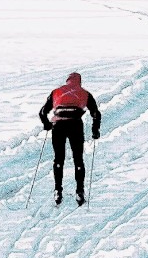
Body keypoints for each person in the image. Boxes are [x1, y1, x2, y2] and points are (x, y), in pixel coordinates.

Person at [38, 72, 102, 206]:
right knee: (78, 159)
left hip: (58, 125)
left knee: (58, 158)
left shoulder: (56, 92)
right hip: (75, 125)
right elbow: (96, 113)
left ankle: (57, 190)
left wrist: (47, 125)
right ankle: (79, 192)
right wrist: (95, 130)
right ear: (79, 82)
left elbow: (43, 112)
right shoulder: (85, 93)